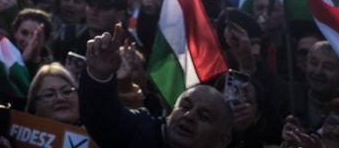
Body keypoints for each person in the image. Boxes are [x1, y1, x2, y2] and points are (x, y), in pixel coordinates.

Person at [79, 24, 234, 148]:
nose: (189, 116)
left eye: (204, 116)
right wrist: (100, 75)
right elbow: (103, 117)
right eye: (185, 106)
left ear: (222, 141)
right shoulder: (141, 131)